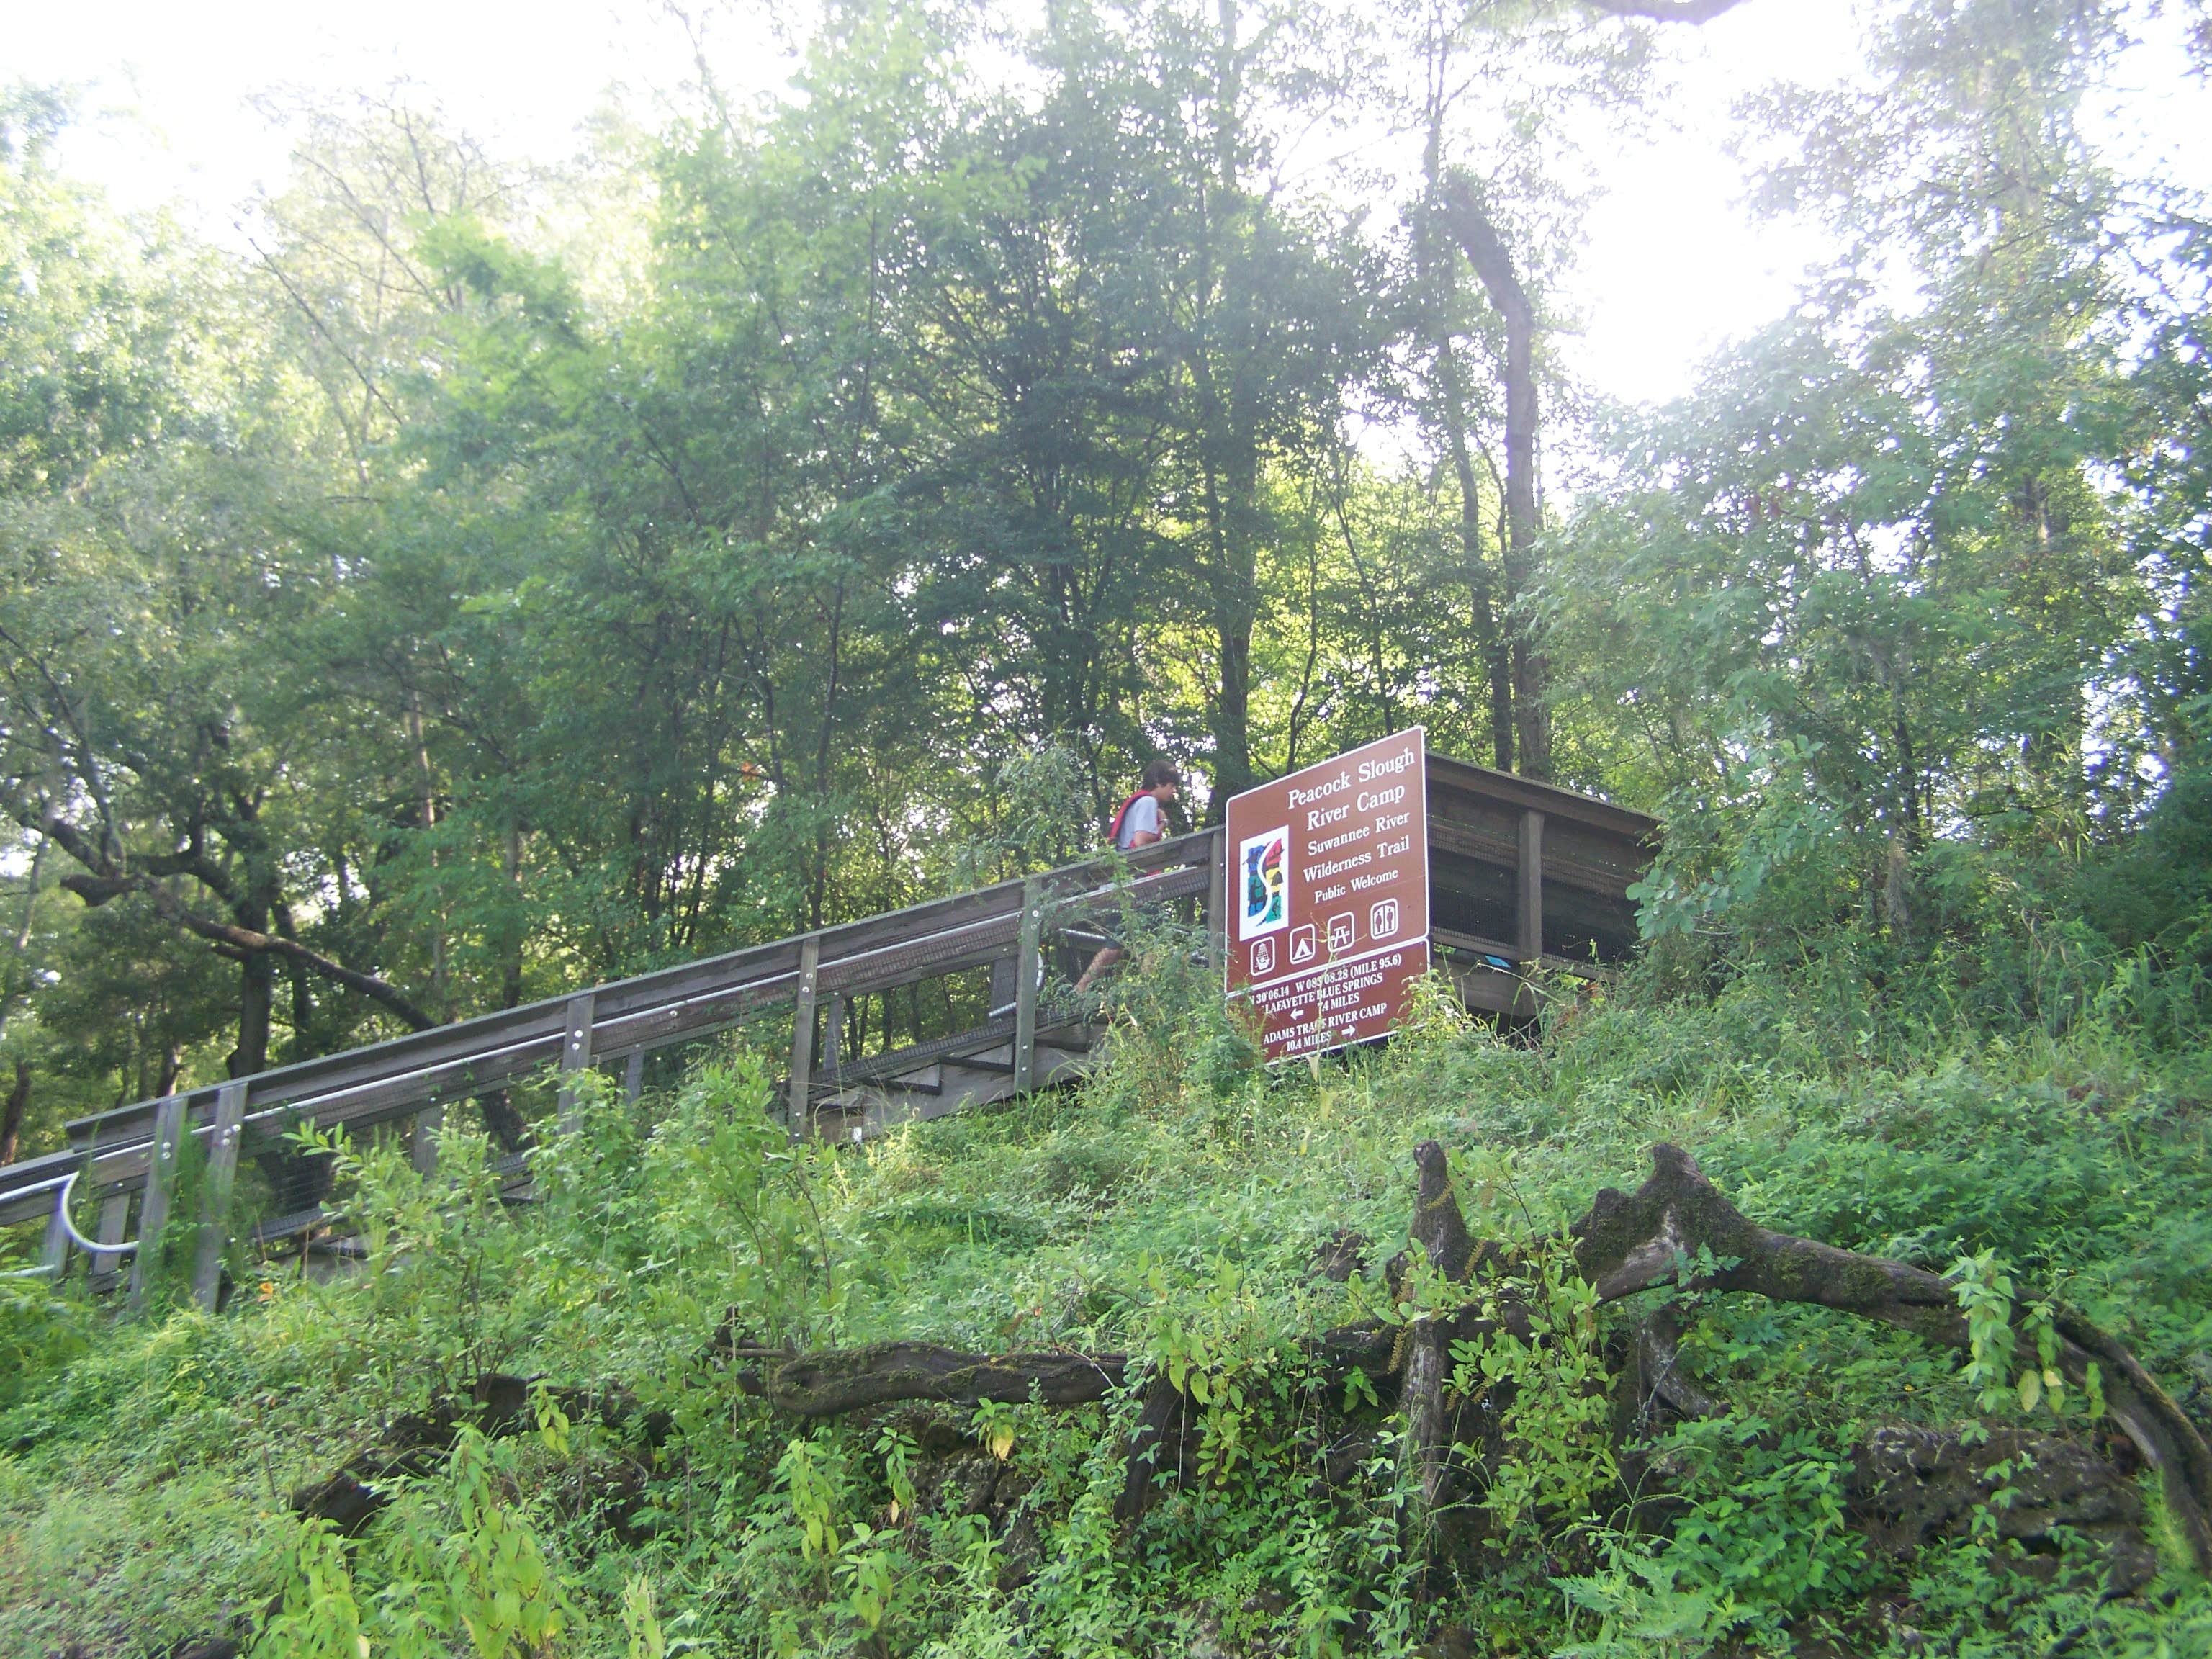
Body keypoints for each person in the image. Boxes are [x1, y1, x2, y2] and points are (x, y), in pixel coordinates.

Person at [1074, 758, 1182, 994]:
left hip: (1121, 882)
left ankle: (1080, 990)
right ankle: (1151, 992)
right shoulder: (1147, 803)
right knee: (1156, 937)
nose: (1174, 791)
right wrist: (1162, 825)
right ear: (1158, 783)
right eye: (1171, 785)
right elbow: (1141, 841)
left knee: (1115, 946)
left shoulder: (1138, 802)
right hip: (1136, 885)